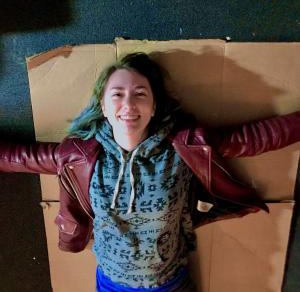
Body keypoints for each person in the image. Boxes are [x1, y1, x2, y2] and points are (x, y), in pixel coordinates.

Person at [1, 52, 300, 291]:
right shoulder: (78, 156)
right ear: (104, 106)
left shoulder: (184, 147)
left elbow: (254, 138)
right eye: (117, 94)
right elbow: (19, 157)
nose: (128, 103)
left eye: (140, 93)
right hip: (110, 283)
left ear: (154, 106)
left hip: (170, 282)